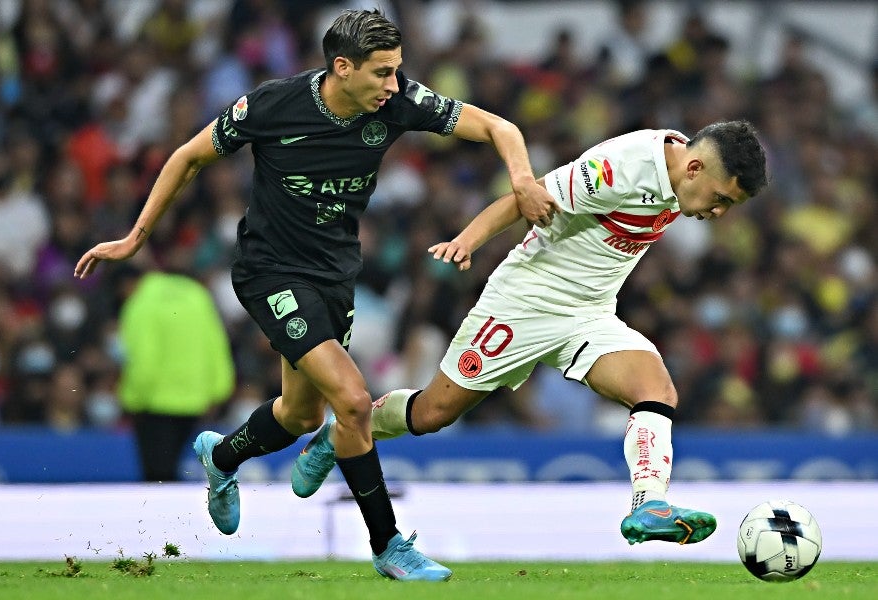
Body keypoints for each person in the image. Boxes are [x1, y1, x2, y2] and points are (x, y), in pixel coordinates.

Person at [73, 9, 557, 581]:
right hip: (270, 272)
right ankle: (388, 546)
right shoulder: (273, 104)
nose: (394, 85)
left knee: (300, 415)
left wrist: (523, 179)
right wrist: (135, 237)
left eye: (398, 71)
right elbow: (189, 156)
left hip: (334, 274)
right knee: (352, 401)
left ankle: (221, 456)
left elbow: (501, 128)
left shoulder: (399, 102)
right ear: (342, 68)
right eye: (382, 73)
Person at [291, 120, 768, 547]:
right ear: (694, 168)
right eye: (721, 199)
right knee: (434, 412)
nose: (720, 212)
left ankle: (649, 504)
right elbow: (528, 196)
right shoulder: (621, 168)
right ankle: (340, 434)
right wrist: (466, 242)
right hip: (524, 302)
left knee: (656, 388)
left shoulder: (682, 176)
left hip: (589, 313)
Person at [116, 266, 235, 482]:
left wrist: (131, 400)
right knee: (175, 472)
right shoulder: (196, 294)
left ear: (126, 285)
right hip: (195, 403)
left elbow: (144, 358)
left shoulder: (140, 303)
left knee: (157, 476)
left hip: (154, 404)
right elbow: (216, 345)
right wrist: (219, 390)